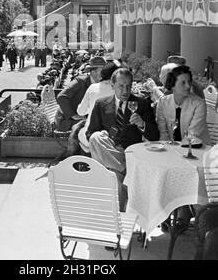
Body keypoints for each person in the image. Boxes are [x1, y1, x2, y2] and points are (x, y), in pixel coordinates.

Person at [86, 67, 159, 210]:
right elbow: (90, 133)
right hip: (112, 152)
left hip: (132, 153)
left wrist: (142, 124)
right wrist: (104, 137)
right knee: (96, 137)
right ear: (112, 86)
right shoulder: (101, 104)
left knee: (114, 177)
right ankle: (124, 169)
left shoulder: (142, 104)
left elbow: (154, 136)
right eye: (121, 86)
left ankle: (117, 219)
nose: (125, 91)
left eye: (128, 86)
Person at [156, 65, 211, 231]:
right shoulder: (163, 103)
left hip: (196, 151)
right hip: (172, 149)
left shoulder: (198, 103)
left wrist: (173, 151)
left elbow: (192, 135)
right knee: (162, 170)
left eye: (189, 82)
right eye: (183, 83)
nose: (188, 86)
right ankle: (165, 212)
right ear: (172, 85)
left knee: (185, 172)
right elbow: (163, 132)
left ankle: (183, 215)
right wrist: (167, 150)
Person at [54, 56, 107, 132]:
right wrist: (74, 115)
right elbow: (61, 97)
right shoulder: (80, 81)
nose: (105, 74)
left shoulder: (102, 85)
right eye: (102, 71)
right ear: (93, 72)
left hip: (84, 121)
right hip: (66, 121)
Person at [77, 62, 120, 154]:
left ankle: (82, 162)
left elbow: (81, 111)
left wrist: (89, 107)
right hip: (114, 137)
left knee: (78, 130)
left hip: (93, 137)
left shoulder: (93, 88)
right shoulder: (120, 91)